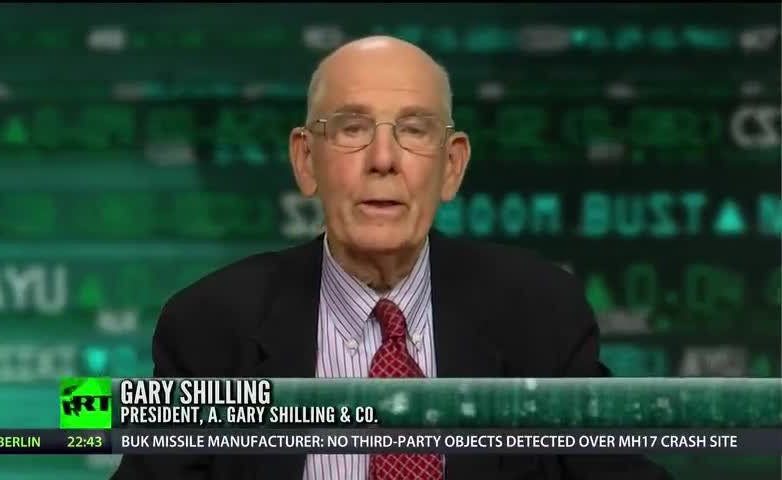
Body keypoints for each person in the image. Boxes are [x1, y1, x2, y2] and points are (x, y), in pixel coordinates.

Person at [111, 36, 673, 480]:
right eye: (352, 128)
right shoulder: (209, 325)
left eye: (414, 130)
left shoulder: (541, 313)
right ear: (305, 160)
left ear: (451, 166)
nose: (383, 159)